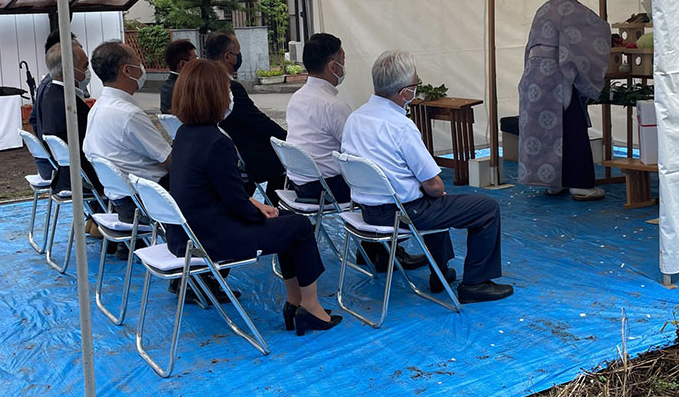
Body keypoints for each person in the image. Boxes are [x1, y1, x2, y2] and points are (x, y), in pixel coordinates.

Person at [169, 59, 341, 335]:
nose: (230, 96)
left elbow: (217, 190)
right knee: (299, 226)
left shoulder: (185, 134)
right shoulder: (217, 142)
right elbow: (236, 202)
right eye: (226, 90)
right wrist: (257, 212)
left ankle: (296, 302)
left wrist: (258, 205)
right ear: (213, 95)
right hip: (216, 237)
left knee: (288, 222)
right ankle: (309, 306)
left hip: (191, 232)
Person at [343, 50, 513, 304]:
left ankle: (440, 272)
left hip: (367, 209)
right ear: (404, 93)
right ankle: (475, 283)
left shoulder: (355, 118)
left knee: (433, 201)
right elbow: (434, 184)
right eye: (415, 84)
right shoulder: (400, 126)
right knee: (484, 207)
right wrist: (434, 191)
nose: (417, 88)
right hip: (402, 212)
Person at [284, 33, 426, 272]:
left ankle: (373, 252)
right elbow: (361, 148)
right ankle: (386, 252)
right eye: (343, 59)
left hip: (299, 183)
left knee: (367, 175)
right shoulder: (332, 105)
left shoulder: (298, 97)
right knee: (391, 181)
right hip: (327, 187)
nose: (344, 67)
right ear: (333, 66)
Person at [518, 0, 611, 201]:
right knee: (572, 126)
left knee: (545, 129)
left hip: (534, 77)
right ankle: (580, 184)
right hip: (558, 76)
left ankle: (553, 181)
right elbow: (596, 29)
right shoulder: (567, 8)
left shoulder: (543, 9)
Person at [82, 41, 171, 224]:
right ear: (127, 71)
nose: (142, 68)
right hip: (150, 201)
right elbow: (169, 161)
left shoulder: (98, 108)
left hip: (123, 201)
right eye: (138, 63)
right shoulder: (129, 114)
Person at [204, 31, 288, 202]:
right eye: (238, 52)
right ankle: (273, 210)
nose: (239, 57)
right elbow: (258, 122)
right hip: (241, 152)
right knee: (283, 160)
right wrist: (287, 138)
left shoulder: (202, 82)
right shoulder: (229, 87)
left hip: (218, 147)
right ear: (228, 56)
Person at [33, 42, 102, 196]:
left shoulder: (50, 95)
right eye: (85, 66)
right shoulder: (68, 104)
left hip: (65, 175)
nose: (87, 71)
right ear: (69, 69)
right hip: (85, 178)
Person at [29, 30, 80, 181]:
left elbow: (33, 119)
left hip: (51, 164)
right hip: (62, 170)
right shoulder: (57, 92)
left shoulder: (47, 86)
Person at [159, 39, 197, 115]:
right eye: (195, 59)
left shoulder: (166, 86)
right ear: (183, 64)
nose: (198, 63)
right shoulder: (186, 88)